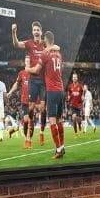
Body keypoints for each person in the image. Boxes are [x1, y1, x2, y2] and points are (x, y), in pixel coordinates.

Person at [26, 31, 66, 159]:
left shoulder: (45, 54)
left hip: (52, 91)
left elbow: (36, 70)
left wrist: (27, 68)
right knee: (60, 119)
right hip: (61, 90)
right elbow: (57, 48)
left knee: (52, 120)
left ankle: (58, 150)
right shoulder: (59, 54)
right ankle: (62, 147)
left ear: (45, 40)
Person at [12, 21, 47, 145]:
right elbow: (16, 44)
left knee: (43, 109)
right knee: (31, 107)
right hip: (33, 80)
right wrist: (14, 32)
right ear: (32, 32)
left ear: (41, 32)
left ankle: (42, 132)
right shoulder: (29, 43)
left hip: (43, 81)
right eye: (34, 30)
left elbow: (55, 48)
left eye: (38, 29)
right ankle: (28, 138)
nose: (36, 31)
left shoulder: (45, 44)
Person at [7, 55, 35, 148]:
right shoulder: (21, 73)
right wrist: (10, 92)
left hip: (33, 101)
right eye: (26, 61)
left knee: (31, 120)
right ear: (24, 62)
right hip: (24, 100)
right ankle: (27, 139)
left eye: (29, 61)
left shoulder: (35, 73)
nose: (28, 62)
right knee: (26, 120)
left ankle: (29, 139)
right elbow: (16, 84)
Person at [66, 71, 84, 137]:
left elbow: (82, 95)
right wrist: (68, 98)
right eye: (73, 77)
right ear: (72, 78)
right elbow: (69, 94)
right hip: (73, 105)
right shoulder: (70, 86)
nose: (74, 78)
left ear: (77, 78)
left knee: (78, 119)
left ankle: (79, 124)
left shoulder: (80, 86)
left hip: (79, 105)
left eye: (75, 77)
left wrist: (82, 98)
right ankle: (76, 133)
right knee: (73, 118)